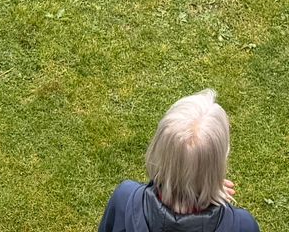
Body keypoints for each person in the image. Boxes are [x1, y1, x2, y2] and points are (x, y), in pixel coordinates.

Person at [97, 89, 261, 232]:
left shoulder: (124, 199)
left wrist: (187, 185)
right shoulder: (242, 225)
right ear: (219, 161)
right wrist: (203, 188)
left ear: (158, 148)